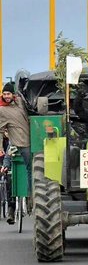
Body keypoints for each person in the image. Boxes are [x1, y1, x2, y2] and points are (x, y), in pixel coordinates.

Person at [0, 79, 32, 214]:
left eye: (9, 94)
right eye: (4, 94)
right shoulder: (2, 110)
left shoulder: (20, 102)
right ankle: (29, 196)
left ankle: (31, 194)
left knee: (34, 170)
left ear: (13, 95)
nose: (7, 96)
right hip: (19, 142)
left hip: (31, 139)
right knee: (28, 168)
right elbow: (0, 131)